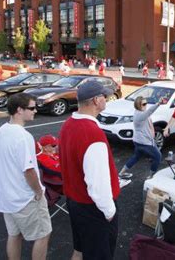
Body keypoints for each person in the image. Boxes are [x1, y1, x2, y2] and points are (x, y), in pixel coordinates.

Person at [59, 81, 120, 260]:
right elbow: (97, 183)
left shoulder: (69, 124)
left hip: (75, 202)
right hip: (93, 210)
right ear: (95, 100)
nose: (107, 98)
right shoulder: (92, 134)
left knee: (80, 249)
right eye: (104, 96)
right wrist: (109, 211)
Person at [0, 93, 51, 260]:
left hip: (7, 198)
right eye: (32, 108)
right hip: (24, 199)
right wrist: (38, 192)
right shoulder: (23, 136)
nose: (35, 111)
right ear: (19, 110)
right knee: (43, 235)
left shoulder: (2, 130)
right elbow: (29, 170)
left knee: (14, 235)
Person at [118, 95, 165, 179]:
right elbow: (150, 111)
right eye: (143, 104)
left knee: (136, 157)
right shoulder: (140, 115)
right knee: (158, 156)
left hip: (138, 140)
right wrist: (158, 103)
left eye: (146, 103)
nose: (145, 105)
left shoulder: (139, 112)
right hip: (144, 141)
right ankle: (151, 176)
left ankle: (121, 173)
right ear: (138, 105)